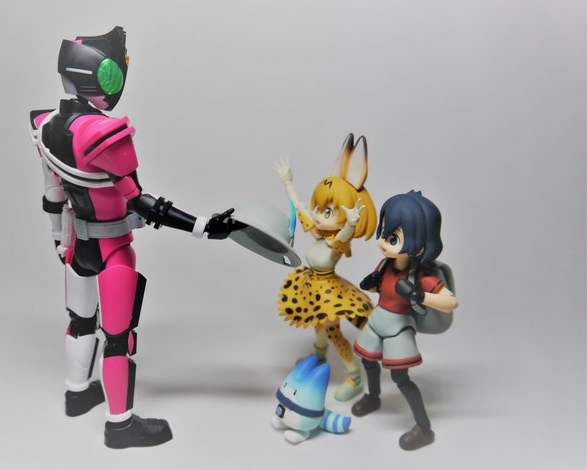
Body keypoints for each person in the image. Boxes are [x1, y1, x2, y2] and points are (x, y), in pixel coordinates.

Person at [29, 26, 235, 448]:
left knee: (80, 322)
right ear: (99, 75)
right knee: (118, 338)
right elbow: (142, 202)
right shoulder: (102, 133)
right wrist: (202, 226)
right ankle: (120, 425)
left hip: (76, 243)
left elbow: (53, 193)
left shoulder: (45, 125)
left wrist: (57, 240)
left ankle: (77, 393)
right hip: (112, 248)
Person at [352, 190, 459, 450]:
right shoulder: (384, 266)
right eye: (384, 232)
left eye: (393, 238)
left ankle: (424, 428)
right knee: (368, 360)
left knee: (400, 378)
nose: (383, 241)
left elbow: (450, 302)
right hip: (378, 320)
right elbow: (381, 289)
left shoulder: (421, 276)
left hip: (399, 327)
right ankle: (373, 397)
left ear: (419, 241)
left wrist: (419, 295)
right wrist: (372, 284)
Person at [274, 134, 377, 402]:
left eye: (328, 211)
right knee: (318, 326)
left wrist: (351, 223)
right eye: (320, 208)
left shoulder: (336, 244)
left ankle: (354, 377)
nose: (319, 215)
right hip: (312, 287)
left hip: (329, 293)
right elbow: (300, 207)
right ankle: (319, 359)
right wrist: (288, 183)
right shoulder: (320, 234)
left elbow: (343, 235)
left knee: (332, 332)